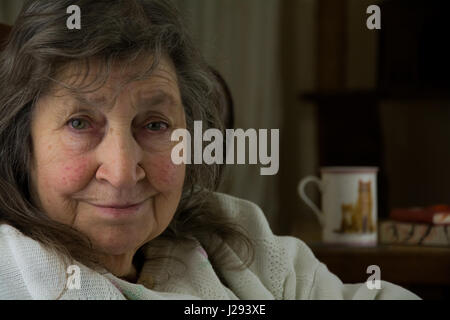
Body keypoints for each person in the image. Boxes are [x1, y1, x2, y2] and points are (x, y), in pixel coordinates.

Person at [0, 0, 420, 300]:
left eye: (155, 125)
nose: (123, 170)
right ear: (23, 143)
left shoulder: (236, 240)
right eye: (80, 123)